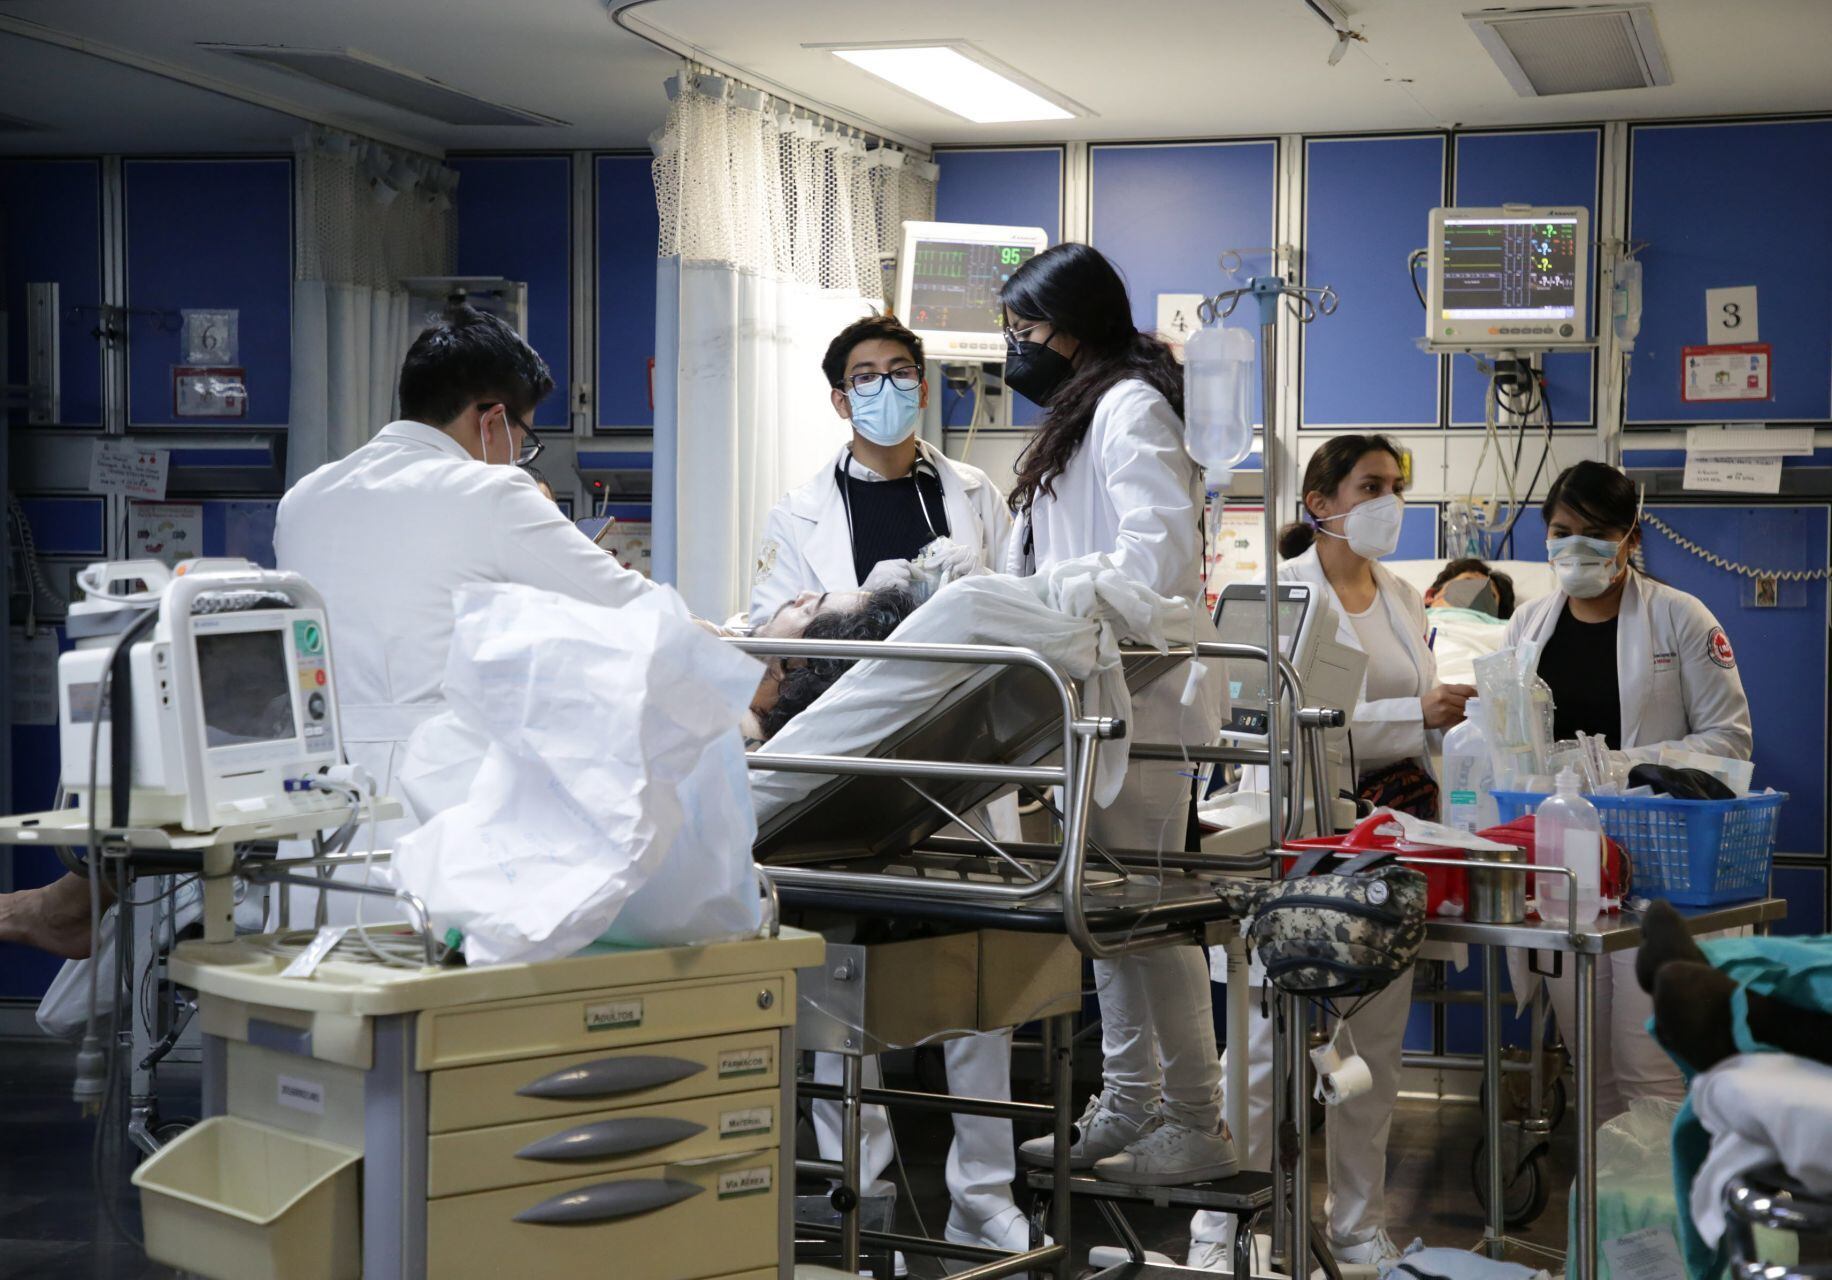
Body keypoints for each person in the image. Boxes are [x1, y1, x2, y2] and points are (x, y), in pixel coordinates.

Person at [0, 307, 677, 957]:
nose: (521, 456)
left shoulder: (307, 497)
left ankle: (70, 907)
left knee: (326, 1000)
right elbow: (639, 610)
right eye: (525, 438)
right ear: (493, 419)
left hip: (319, 815)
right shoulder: (494, 495)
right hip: (442, 808)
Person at [748, 314, 1025, 1258]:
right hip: (853, 767)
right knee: (844, 991)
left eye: (900, 371)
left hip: (963, 760)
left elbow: (1015, 604)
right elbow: (776, 633)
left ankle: (984, 1195)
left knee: (979, 993)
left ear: (923, 384)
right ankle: (856, 1205)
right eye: (865, 376)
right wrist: (862, 605)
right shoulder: (798, 512)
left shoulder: (973, 494)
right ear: (839, 399)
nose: (885, 387)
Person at [1191, 434, 1474, 1272]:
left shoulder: (1400, 596)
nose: (1388, 501)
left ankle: (1355, 1229)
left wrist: (1445, 725)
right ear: (1320, 502)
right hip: (1293, 838)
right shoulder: (1277, 597)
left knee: (1371, 1051)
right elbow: (1264, 724)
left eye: (1395, 486)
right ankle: (1226, 1232)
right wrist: (1414, 716)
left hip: (1384, 842)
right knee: (1260, 1052)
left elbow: (1415, 721)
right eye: (1370, 486)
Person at [992, 243, 1234, 1190]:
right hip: (1095, 696)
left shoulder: (1130, 406)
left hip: (1144, 699)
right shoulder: (1085, 410)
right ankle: (1131, 1100)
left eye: (1026, 327)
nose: (1016, 345)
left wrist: (1045, 597)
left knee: (1150, 922)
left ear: (1075, 324)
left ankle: (1197, 1120)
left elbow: (1155, 560)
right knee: (1109, 918)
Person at [1504, 460, 1753, 1120]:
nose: (1575, 547)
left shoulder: (1680, 617)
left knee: (1649, 1068)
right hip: (1568, 865)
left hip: (1661, 861)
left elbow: (1730, 742)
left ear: (1630, 538)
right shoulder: (1527, 625)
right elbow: (1511, 745)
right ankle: (1604, 1187)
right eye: (1561, 531)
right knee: (1588, 1059)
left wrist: (1618, 767)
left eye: (1595, 532)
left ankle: (1655, 1190)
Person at [1423, 556, 1516, 619]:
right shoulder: (1416, 624)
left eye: (1491, 595)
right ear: (1430, 596)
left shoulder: (1504, 633)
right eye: (1468, 581)